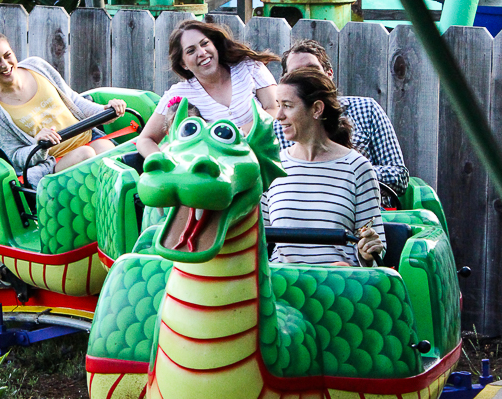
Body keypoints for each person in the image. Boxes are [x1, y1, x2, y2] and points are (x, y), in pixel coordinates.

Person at [0, 25, 126, 188]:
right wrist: (39, 145)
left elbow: (73, 101)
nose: (5, 65)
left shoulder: (37, 66)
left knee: (105, 147)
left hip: (87, 139)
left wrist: (104, 111)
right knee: (85, 155)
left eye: (7, 56)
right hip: (53, 164)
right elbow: (16, 155)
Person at [266, 67, 385, 267]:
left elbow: (375, 248)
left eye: (287, 106)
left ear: (316, 109)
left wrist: (367, 253)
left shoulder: (358, 168)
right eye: (278, 105)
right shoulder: (273, 166)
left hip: (340, 287)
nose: (278, 115)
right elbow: (256, 240)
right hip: (283, 285)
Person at [277, 39, 409, 196]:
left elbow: (398, 176)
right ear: (285, 79)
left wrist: (343, 171)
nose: (306, 79)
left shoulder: (367, 110)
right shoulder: (280, 125)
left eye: (313, 71)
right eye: (297, 73)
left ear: (329, 74)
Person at [136, 19, 280, 158]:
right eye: (191, 51)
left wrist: (236, 134)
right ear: (183, 63)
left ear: (214, 45)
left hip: (267, 157)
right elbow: (145, 140)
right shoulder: (179, 93)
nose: (202, 52)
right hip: (222, 174)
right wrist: (165, 162)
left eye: (205, 44)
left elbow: (275, 110)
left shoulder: (249, 66)